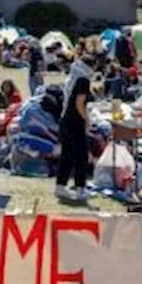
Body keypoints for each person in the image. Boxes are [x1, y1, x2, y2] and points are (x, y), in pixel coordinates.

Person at [57, 55, 92, 204]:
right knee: (81, 156)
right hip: (75, 121)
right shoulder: (83, 79)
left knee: (66, 154)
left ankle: (60, 185)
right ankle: (80, 188)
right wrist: (87, 119)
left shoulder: (72, 76)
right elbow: (80, 103)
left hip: (65, 119)